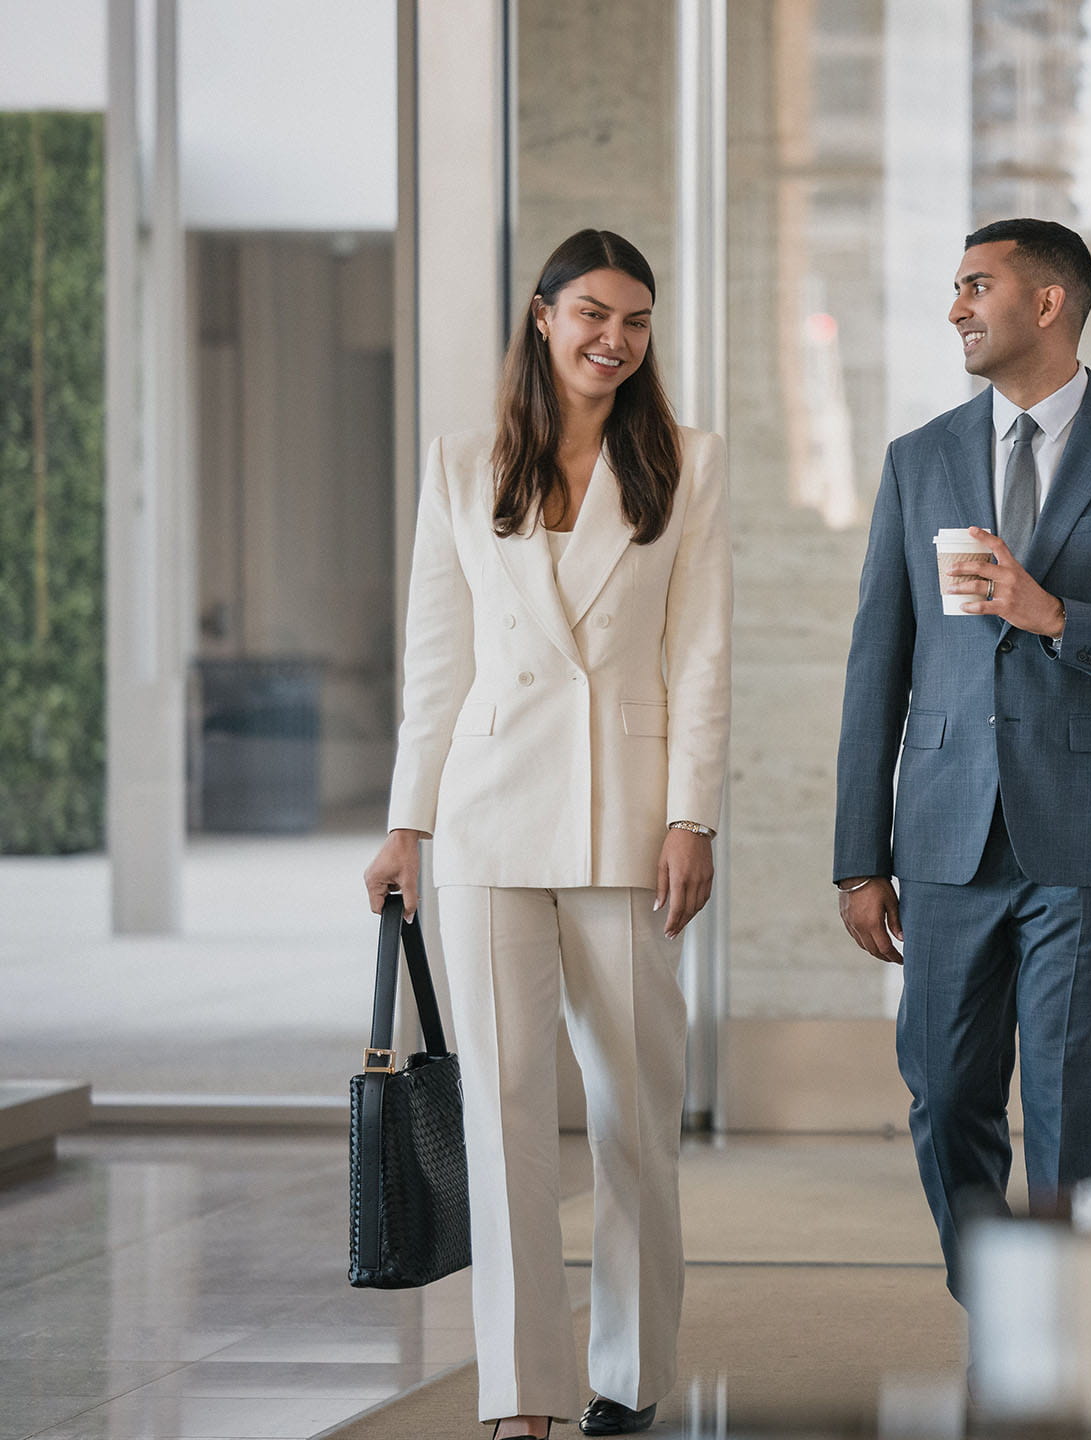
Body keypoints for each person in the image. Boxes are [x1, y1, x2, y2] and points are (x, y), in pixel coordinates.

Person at [364, 229, 731, 1439]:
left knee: (635, 1114)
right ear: (542, 315)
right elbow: (434, 662)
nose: (613, 340)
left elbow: (701, 657)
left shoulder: (685, 463)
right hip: (487, 822)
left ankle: (628, 1370)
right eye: (592, 315)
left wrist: (692, 815)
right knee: (506, 1110)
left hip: (626, 825)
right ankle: (522, 1395)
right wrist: (406, 824)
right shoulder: (463, 464)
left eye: (634, 320)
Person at [833, 218, 1091, 1296]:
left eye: (977, 286)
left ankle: (1056, 1327)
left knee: (1065, 1105)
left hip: (1087, 843)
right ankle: (994, 1294)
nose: (956, 309)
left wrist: (1056, 616)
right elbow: (878, 665)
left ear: (1047, 303)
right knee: (945, 1095)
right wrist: (858, 857)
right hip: (945, 837)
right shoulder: (918, 461)